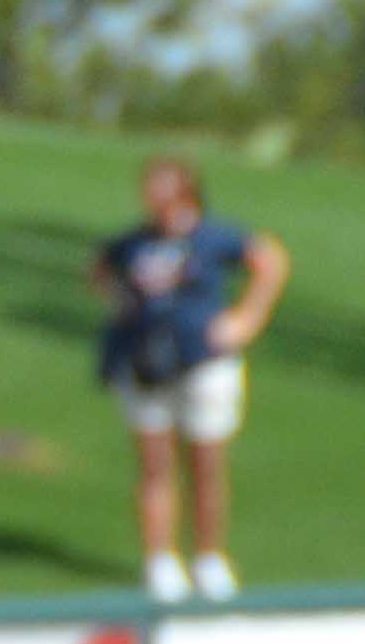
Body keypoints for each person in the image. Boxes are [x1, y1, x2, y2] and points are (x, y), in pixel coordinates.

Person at [92, 155, 289, 606]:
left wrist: (246, 318)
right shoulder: (134, 243)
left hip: (204, 363)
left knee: (205, 463)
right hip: (147, 363)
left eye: (162, 186)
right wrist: (120, 306)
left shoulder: (213, 236)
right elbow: (99, 271)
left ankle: (208, 557)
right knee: (154, 463)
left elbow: (270, 259)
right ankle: (160, 560)